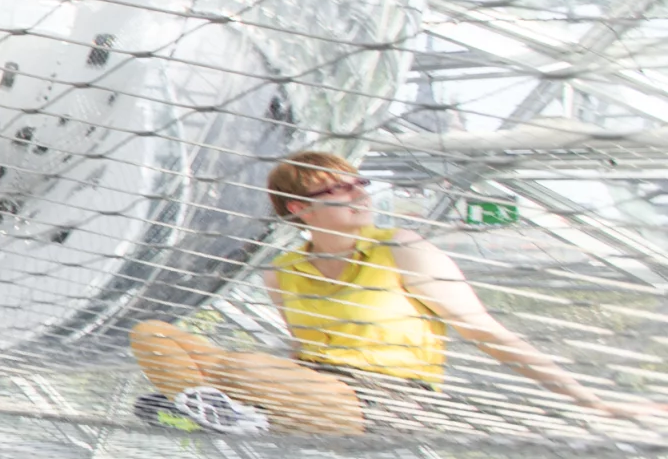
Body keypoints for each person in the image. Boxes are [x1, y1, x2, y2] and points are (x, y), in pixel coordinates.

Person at [129, 149, 654, 437]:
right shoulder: (282, 272)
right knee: (152, 334)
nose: (357, 195)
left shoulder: (402, 247)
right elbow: (304, 349)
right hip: (313, 384)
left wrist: (592, 401)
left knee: (238, 369)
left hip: (388, 399)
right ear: (297, 209)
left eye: (359, 185)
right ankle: (222, 411)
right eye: (337, 190)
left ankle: (202, 406)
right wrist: (271, 379)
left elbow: (484, 330)